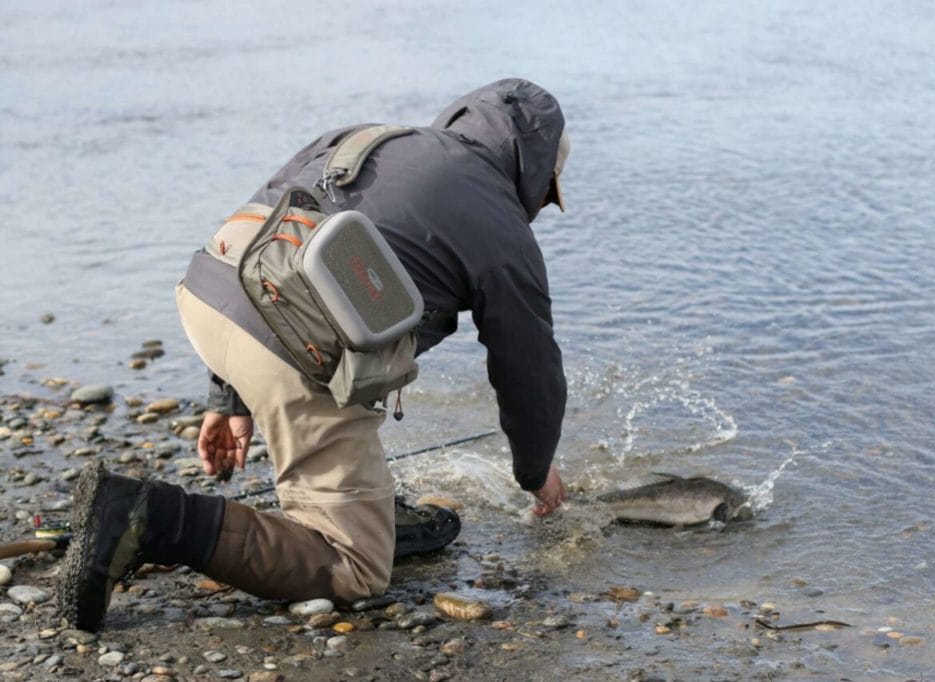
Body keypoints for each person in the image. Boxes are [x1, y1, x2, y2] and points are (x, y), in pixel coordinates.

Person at [57, 78, 570, 632]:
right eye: (546, 192)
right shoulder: (504, 228)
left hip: (205, 296)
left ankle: (358, 505)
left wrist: (227, 392)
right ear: (534, 172)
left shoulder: (367, 137)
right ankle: (148, 516)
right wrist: (535, 473)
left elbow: (266, 229)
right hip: (286, 349)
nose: (539, 206)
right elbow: (528, 370)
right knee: (355, 569)